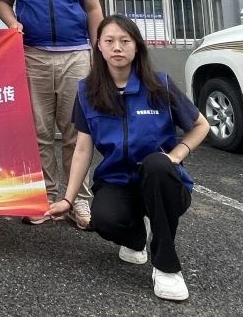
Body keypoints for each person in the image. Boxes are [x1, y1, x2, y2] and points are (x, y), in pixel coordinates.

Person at [46, 15, 210, 302]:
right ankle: (136, 237)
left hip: (162, 182)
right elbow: (82, 149)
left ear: (137, 46)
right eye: (109, 41)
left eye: (125, 40)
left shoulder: (160, 85)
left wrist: (176, 155)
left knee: (157, 164)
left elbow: (201, 125)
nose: (117, 47)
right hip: (118, 181)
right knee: (103, 220)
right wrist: (68, 200)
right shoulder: (87, 91)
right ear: (99, 46)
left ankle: (166, 267)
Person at [0, 0, 104, 229]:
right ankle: (43, 195)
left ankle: (78, 199)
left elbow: (93, 7)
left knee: (76, 132)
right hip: (33, 56)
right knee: (39, 132)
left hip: (77, 56)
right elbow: (3, 2)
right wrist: (12, 23)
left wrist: (98, 49)